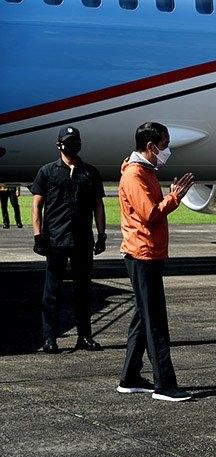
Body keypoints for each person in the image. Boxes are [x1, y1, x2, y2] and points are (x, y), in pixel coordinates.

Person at [116, 122, 195, 402]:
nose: (167, 150)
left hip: (147, 253)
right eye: (164, 144)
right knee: (155, 323)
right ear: (150, 147)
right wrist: (175, 197)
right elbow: (150, 214)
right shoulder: (135, 174)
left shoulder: (143, 171)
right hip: (142, 254)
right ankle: (165, 384)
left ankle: (130, 377)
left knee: (142, 317)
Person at [30, 126, 106, 354]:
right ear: (59, 145)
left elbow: (98, 206)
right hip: (56, 240)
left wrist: (101, 235)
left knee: (83, 291)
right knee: (51, 292)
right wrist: (37, 235)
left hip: (82, 241)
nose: (73, 145)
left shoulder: (90, 172)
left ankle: (84, 336)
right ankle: (49, 338)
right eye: (68, 141)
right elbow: (36, 205)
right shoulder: (48, 171)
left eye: (76, 141)